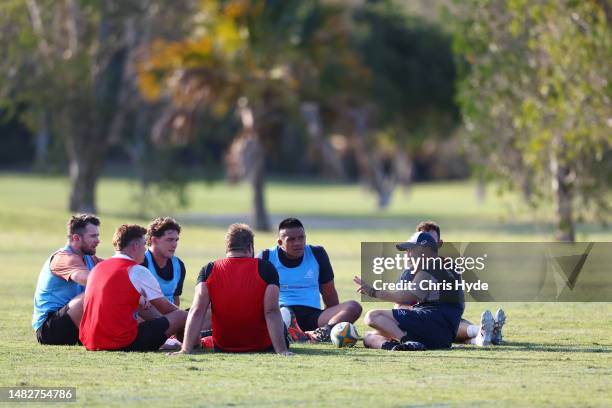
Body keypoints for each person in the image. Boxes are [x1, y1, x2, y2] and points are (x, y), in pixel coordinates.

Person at [174, 223, 292, 355]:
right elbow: (271, 311)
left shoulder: (208, 270)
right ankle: (293, 327)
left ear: (227, 247)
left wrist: (185, 350)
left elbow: (197, 311)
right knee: (283, 319)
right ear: (250, 247)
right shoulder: (266, 268)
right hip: (262, 345)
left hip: (224, 346)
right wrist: (282, 351)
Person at [395, 221, 506, 346]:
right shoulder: (408, 271)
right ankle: (484, 332)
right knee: (442, 323)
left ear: (439, 244)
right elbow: (399, 307)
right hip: (419, 318)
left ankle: (481, 336)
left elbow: (456, 304)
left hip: (441, 318)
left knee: (448, 322)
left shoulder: (448, 266)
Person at [79, 224, 187, 351]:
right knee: (181, 316)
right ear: (135, 246)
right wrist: (190, 318)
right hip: (123, 342)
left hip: (91, 341)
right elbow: (165, 307)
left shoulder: (98, 267)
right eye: (143, 245)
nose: (145, 250)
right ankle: (192, 343)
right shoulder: (137, 270)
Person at [354, 231, 465, 351]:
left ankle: (406, 341)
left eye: (410, 249)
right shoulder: (446, 265)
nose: (407, 254)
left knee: (372, 316)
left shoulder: (429, 266)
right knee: (369, 336)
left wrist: (372, 292)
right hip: (444, 336)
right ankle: (396, 347)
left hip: (432, 323)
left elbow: (405, 297)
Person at [258, 218, 362, 342]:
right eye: (291, 239)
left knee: (353, 307)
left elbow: (330, 296)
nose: (298, 243)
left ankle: (323, 333)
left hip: (313, 317)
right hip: (281, 313)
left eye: (301, 238)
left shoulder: (317, 253)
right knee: (280, 314)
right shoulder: (265, 257)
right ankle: (289, 331)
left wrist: (336, 320)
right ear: (280, 242)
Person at [32, 214, 102, 345]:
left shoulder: (89, 258)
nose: (98, 240)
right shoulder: (63, 258)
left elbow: (112, 270)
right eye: (93, 236)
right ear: (76, 238)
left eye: (97, 236)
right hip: (48, 329)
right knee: (93, 294)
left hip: (69, 321)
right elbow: (85, 279)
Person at [142, 217, 186, 306]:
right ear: (154, 240)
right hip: (148, 318)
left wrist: (177, 318)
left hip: (171, 317)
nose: (174, 245)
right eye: (169, 239)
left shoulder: (179, 265)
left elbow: (175, 298)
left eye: (176, 240)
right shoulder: (142, 263)